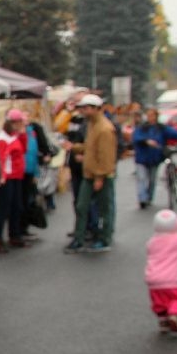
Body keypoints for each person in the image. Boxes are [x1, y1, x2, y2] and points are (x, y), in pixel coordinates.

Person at [65, 93, 118, 253]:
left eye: (86, 108)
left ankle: (104, 238)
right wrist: (74, 147)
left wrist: (100, 176)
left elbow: (106, 156)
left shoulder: (104, 128)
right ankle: (79, 239)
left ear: (96, 109)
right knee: (82, 206)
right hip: (89, 174)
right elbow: (90, 147)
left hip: (100, 175)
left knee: (104, 208)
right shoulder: (92, 125)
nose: (82, 111)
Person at [131, 107, 177, 208]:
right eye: (149, 115)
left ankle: (149, 198)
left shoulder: (161, 128)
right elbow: (136, 137)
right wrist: (146, 141)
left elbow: (174, 133)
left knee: (152, 179)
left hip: (155, 158)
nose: (150, 117)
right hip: (142, 158)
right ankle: (142, 199)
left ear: (156, 116)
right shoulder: (142, 127)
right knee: (141, 178)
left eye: (152, 115)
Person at [0, 110, 28, 251]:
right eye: (17, 122)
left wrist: (23, 133)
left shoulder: (14, 136)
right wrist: (1, 175)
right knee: (4, 208)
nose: (19, 124)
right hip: (7, 177)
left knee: (16, 206)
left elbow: (23, 150)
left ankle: (14, 235)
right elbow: (0, 157)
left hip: (17, 176)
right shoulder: (2, 138)